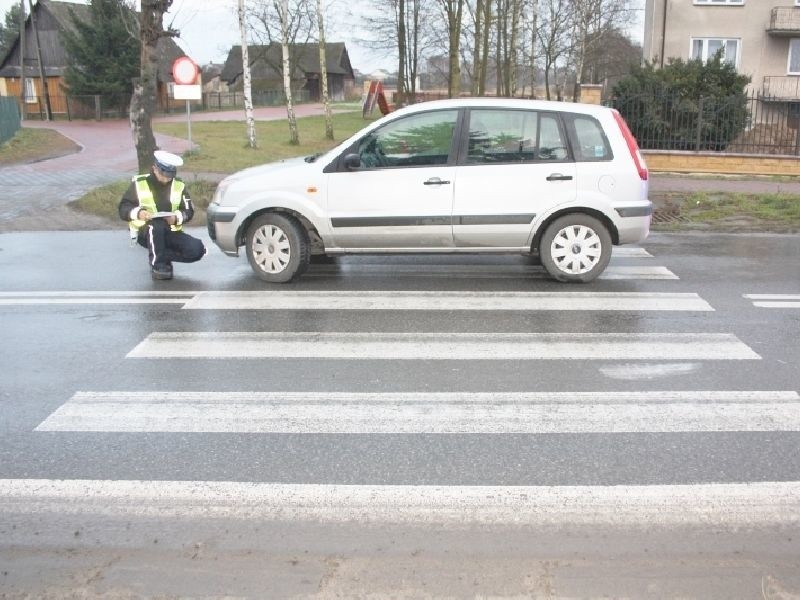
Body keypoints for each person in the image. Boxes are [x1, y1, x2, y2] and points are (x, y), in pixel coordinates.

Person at [119, 150, 206, 280]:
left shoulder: (179, 185)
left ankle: (161, 256)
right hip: (145, 232)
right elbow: (123, 208)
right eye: (163, 175)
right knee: (156, 225)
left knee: (197, 250)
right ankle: (157, 265)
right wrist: (139, 213)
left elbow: (188, 211)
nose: (166, 179)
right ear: (155, 168)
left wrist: (176, 218)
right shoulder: (139, 183)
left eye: (170, 176)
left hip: (171, 231)